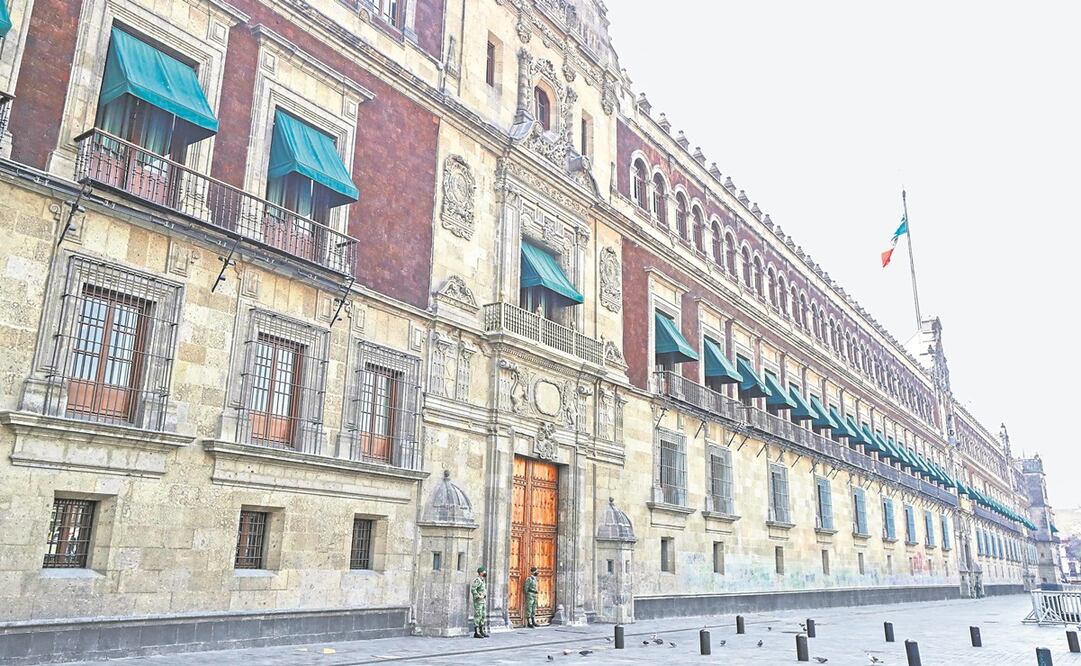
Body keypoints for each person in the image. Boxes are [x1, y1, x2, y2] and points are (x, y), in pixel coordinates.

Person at [470, 565, 488, 638]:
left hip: (483, 601)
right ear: (480, 572)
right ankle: (476, 632)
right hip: (478, 601)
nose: (485, 572)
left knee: (483, 615)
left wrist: (484, 596)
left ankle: (481, 630)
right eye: (484, 571)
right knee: (478, 615)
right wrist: (478, 596)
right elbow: (473, 589)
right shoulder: (477, 580)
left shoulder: (482, 580)